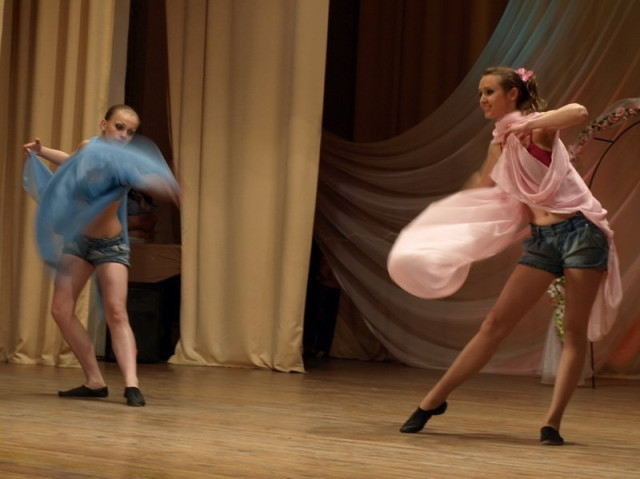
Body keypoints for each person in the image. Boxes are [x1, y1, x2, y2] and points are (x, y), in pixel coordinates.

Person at [387, 67, 621, 445]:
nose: (482, 100)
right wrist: (441, 229)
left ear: (513, 94)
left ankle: (551, 424)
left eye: (489, 92)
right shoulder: (497, 144)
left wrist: (529, 122)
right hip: (543, 239)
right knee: (494, 324)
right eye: (481, 93)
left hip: (581, 232)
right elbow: (482, 190)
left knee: (574, 332)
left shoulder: (536, 129)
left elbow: (578, 112)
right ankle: (431, 402)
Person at [23, 104, 180, 407]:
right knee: (60, 310)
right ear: (104, 124)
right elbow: (71, 163)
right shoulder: (88, 147)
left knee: (116, 312)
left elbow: (144, 179)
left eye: (130, 132)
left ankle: (132, 384)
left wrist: (168, 186)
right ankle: (94, 380)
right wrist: (42, 152)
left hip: (110, 245)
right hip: (79, 243)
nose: (124, 135)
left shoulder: (124, 162)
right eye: (119, 127)